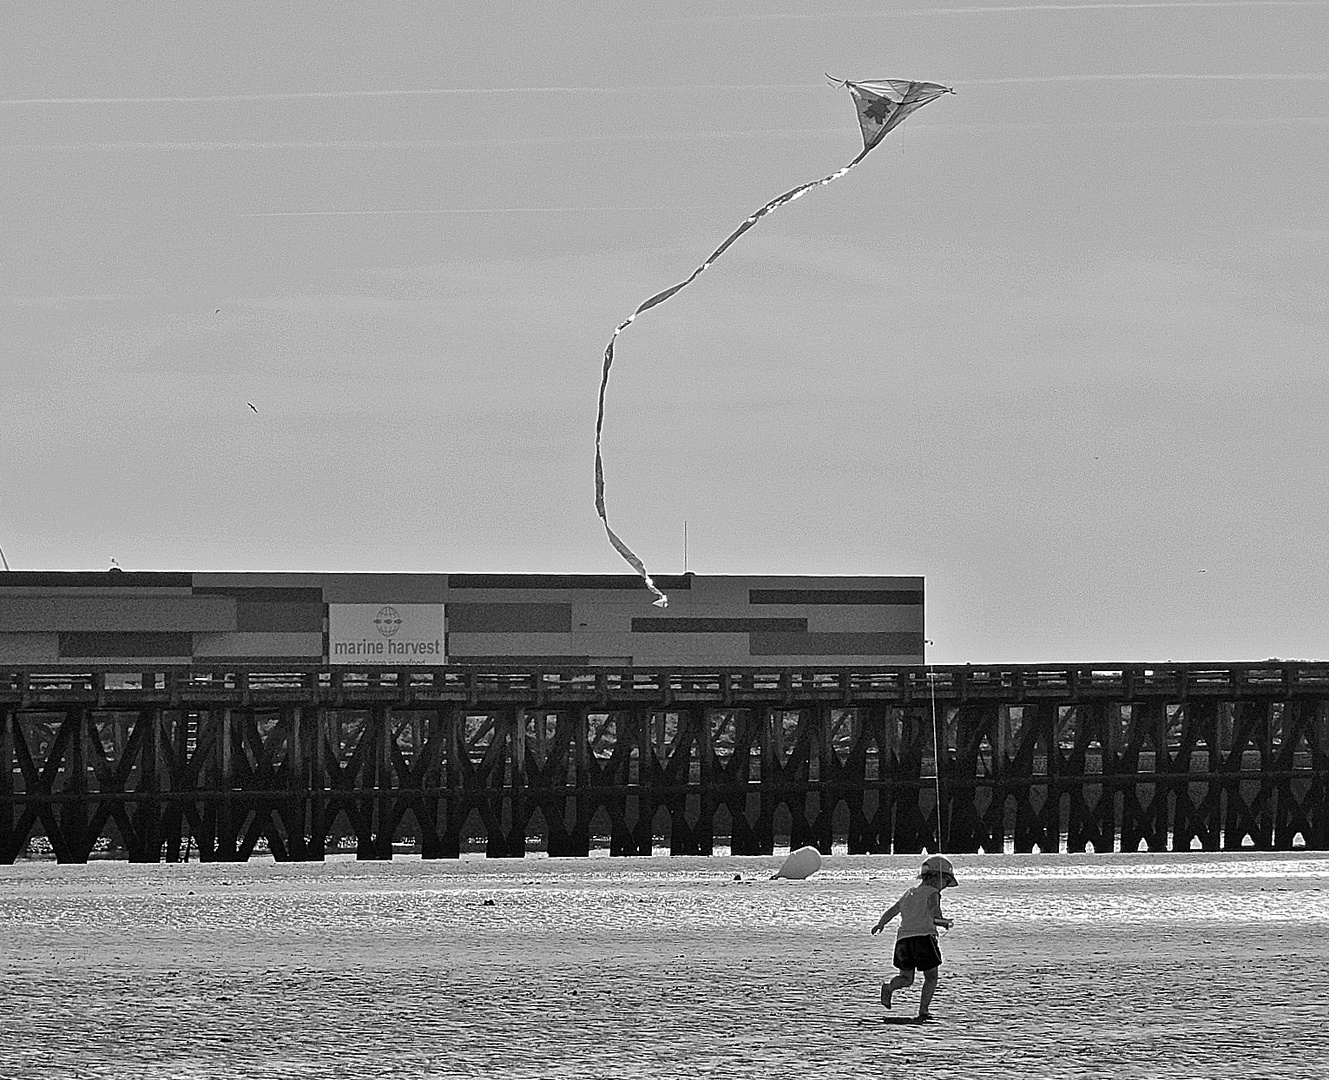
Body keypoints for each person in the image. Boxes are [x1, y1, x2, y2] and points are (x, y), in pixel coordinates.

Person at [870, 855, 957, 1020]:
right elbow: (934, 913)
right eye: (946, 882)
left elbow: (893, 910)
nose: (945, 887)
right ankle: (923, 1010)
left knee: (906, 977)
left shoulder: (909, 892)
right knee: (931, 976)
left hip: (903, 940)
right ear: (939, 878)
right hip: (923, 939)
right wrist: (943, 922)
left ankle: (889, 988)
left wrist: (880, 924)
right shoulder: (933, 893)